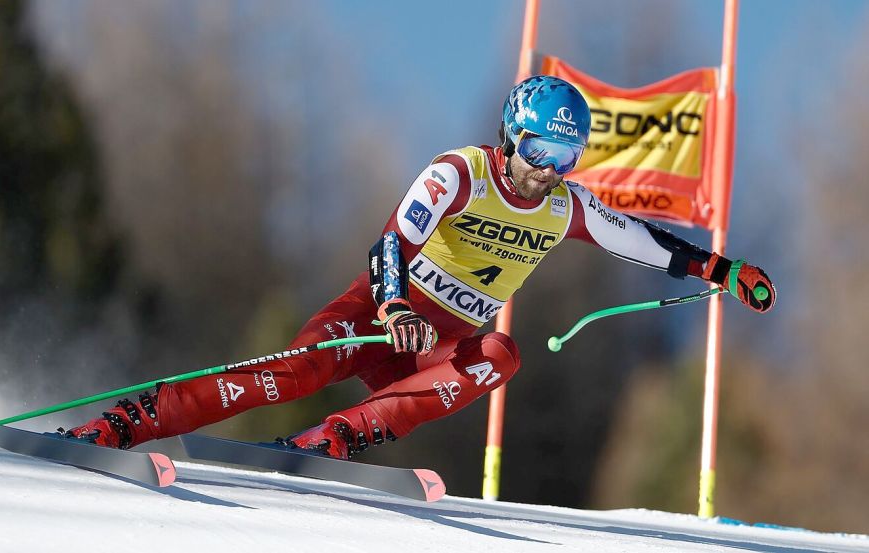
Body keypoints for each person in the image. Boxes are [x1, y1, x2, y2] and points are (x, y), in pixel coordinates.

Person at [63, 75, 775, 459]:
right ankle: (134, 419)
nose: (545, 174)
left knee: (500, 353)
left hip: (435, 347)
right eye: (537, 154)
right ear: (510, 139)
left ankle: (337, 438)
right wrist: (395, 307)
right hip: (379, 314)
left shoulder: (566, 208)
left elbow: (649, 243)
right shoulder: (459, 173)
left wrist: (724, 268)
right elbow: (388, 247)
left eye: (564, 160)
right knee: (295, 370)